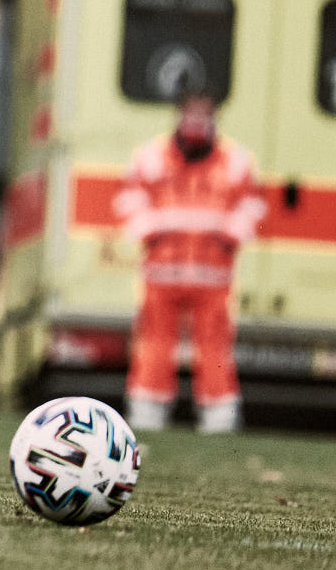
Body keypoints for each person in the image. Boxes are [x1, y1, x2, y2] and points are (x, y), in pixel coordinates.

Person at [112, 90, 265, 433]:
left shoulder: (236, 161)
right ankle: (147, 414)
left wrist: (229, 238)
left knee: (214, 346)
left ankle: (219, 417)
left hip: (212, 275)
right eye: (191, 113)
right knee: (153, 343)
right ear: (178, 115)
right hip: (162, 273)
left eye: (204, 113)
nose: (197, 121)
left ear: (215, 117)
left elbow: (253, 206)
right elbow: (127, 199)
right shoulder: (151, 158)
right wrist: (150, 232)